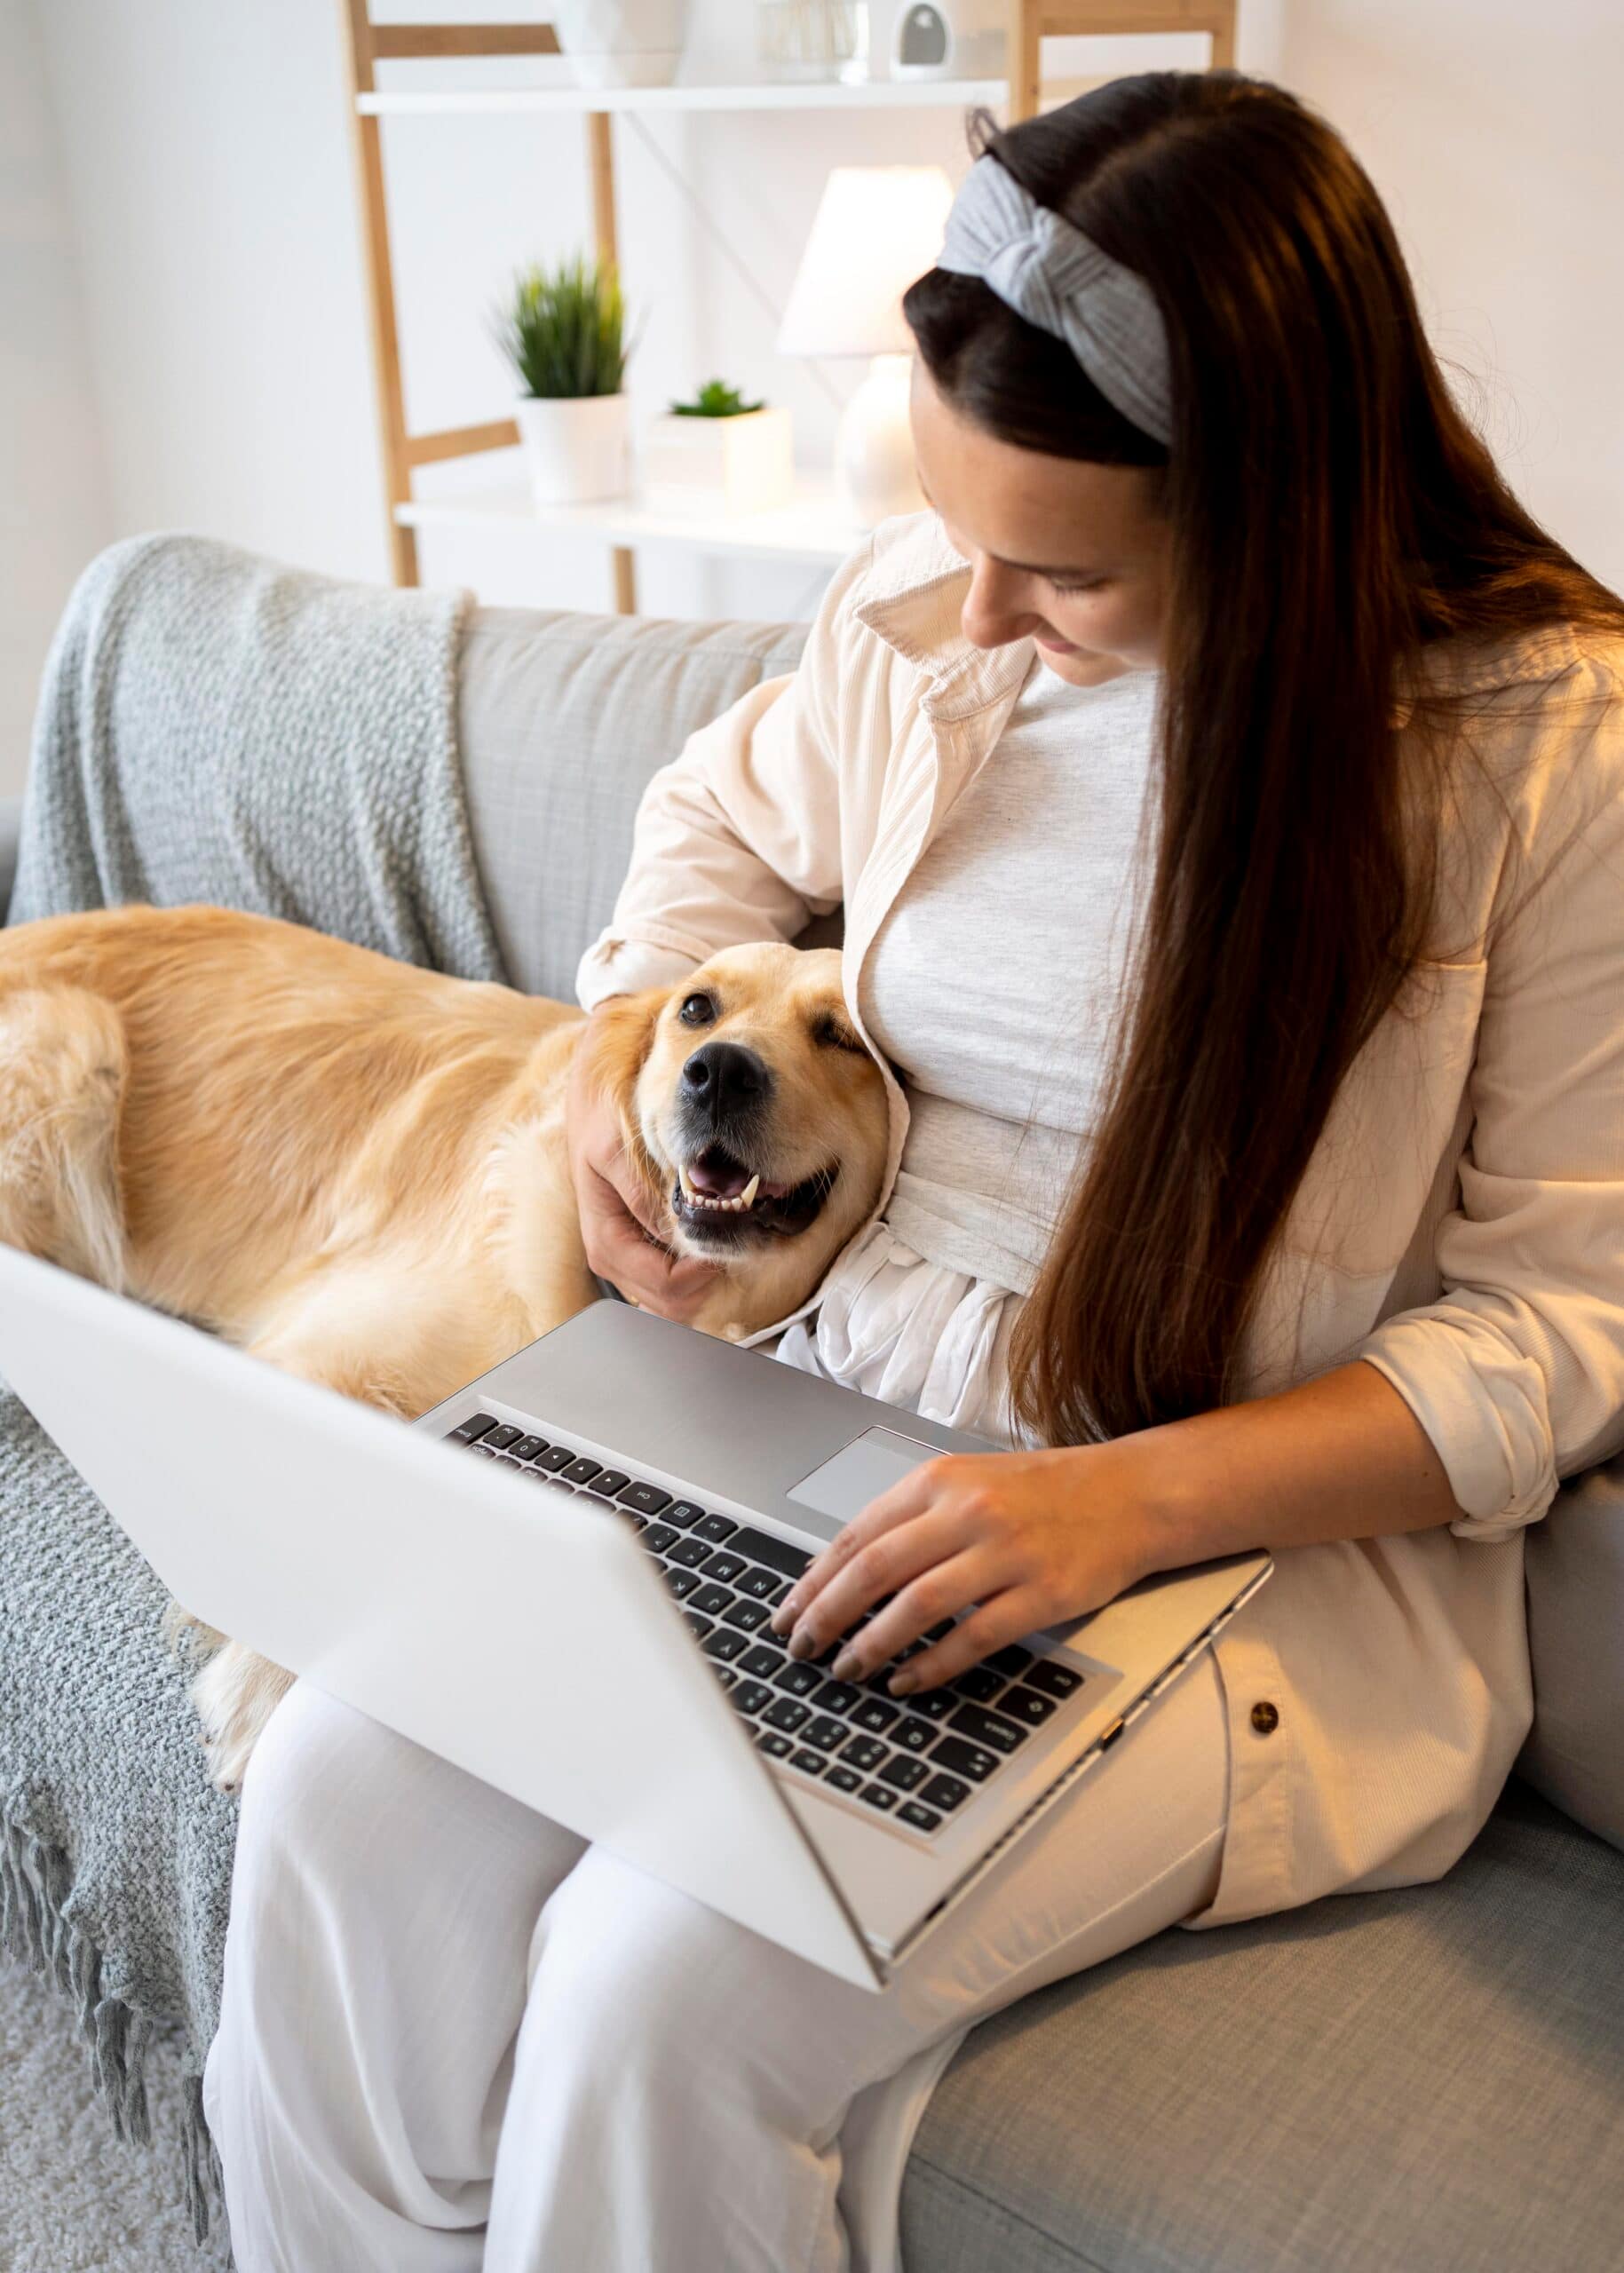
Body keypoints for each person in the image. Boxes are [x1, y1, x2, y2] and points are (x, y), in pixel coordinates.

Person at [204, 70, 1624, 2272]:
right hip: (807, 1426)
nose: (972, 614)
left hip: (1224, 1549)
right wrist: (610, 1073)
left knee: (652, 1990)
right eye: (958, 531)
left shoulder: (1551, 756)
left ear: (1281, 523)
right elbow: (709, 820)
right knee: (333, 1786)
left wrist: (1113, 1502)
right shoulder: (927, 627)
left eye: (1060, 570)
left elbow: (1556, 1333)